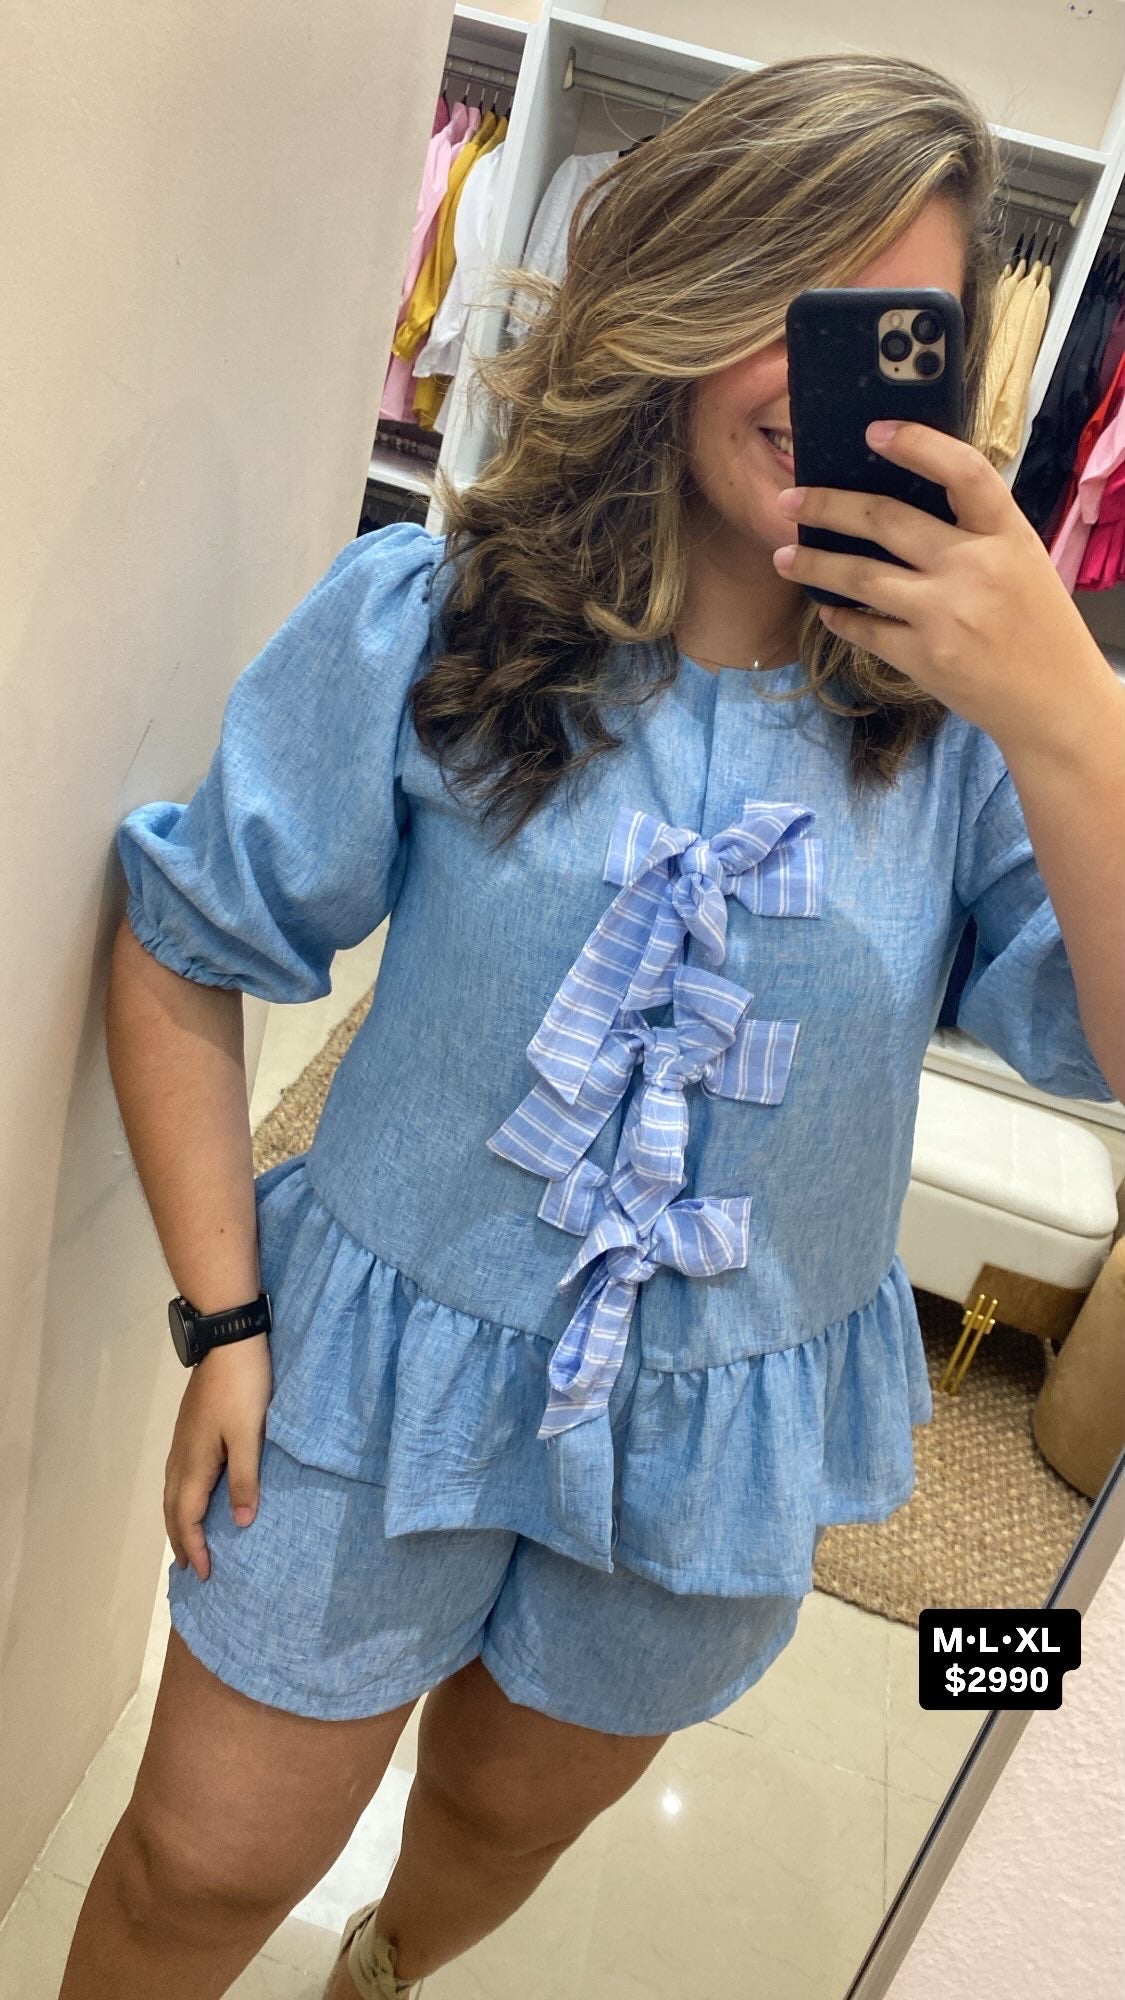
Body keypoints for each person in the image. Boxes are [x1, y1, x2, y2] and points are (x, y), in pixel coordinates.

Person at [65, 48, 1120, 2000]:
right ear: (685, 287)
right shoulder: (433, 614)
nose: (819, 376)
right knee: (202, 1862)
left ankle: (380, 1976)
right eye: (787, 289)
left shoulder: (979, 739)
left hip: (712, 1449)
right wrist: (221, 1318)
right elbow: (180, 938)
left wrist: (1067, 704)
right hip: (361, 1383)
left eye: (888, 330)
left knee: (494, 1828)